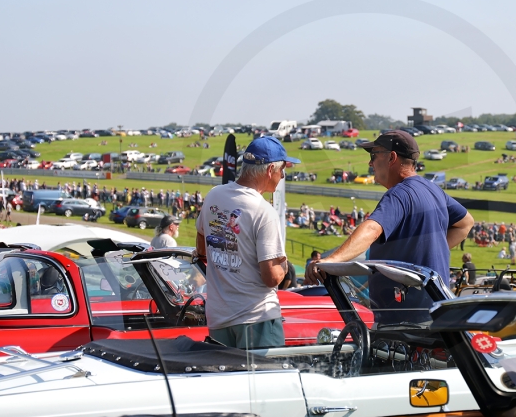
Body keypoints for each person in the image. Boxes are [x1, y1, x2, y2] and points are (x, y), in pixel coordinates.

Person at [305, 131, 474, 324]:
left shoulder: (399, 194)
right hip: (435, 310)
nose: (370, 163)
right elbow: (466, 223)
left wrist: (332, 261)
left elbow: (371, 229)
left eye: (374, 155)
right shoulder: (433, 189)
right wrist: (427, 251)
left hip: (403, 319)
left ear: (392, 157)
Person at [196, 136, 299, 350]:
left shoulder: (214, 195)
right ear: (270, 170)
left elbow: (201, 247)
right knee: (265, 382)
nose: (283, 176)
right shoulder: (263, 211)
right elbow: (271, 278)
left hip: (218, 318)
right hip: (257, 318)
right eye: (283, 170)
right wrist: (284, 265)